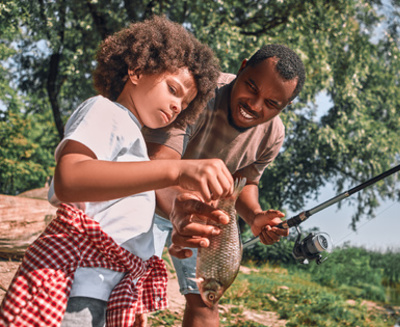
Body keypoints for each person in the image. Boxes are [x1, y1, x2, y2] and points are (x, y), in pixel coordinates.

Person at [0, 16, 234, 327]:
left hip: (105, 289)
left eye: (186, 102)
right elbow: (70, 179)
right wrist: (173, 171)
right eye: (173, 89)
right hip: (75, 286)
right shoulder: (104, 110)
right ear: (136, 70)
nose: (177, 105)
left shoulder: (133, 136)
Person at [143, 44, 306, 327]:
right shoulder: (199, 92)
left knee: (206, 299)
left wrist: (254, 215)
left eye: (271, 104)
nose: (254, 105)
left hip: (204, 217)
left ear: (285, 106)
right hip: (148, 199)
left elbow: (245, 180)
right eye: (251, 87)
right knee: (126, 288)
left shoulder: (274, 133)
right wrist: (182, 210)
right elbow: (157, 167)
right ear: (242, 68)